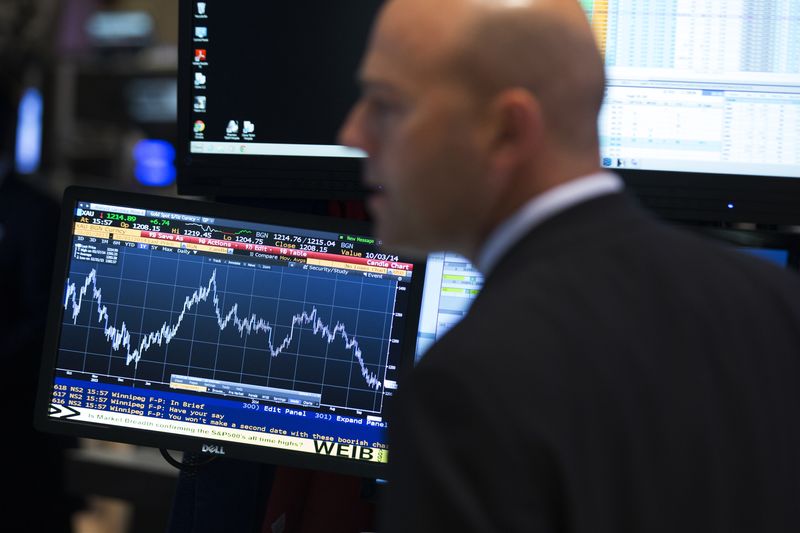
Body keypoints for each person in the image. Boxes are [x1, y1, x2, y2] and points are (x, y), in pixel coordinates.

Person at [338, 0, 800, 531]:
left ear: (508, 131)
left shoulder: (469, 388)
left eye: (386, 105)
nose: (353, 134)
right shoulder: (778, 304)